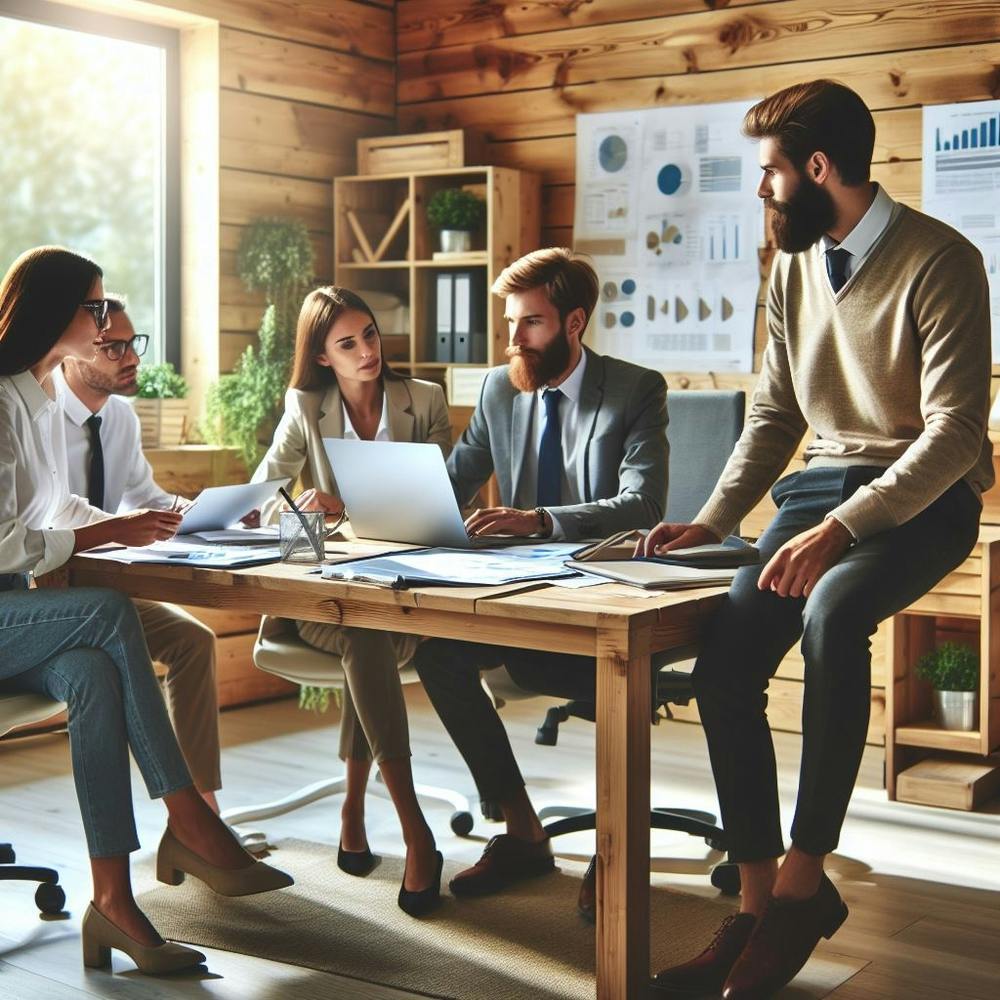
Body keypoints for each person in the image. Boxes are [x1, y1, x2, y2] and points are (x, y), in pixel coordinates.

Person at [645, 81, 992, 999]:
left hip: (925, 497)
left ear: (819, 167)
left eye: (769, 171)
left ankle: (804, 884)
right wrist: (714, 519)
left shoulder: (943, 261)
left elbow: (957, 431)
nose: (760, 188)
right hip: (818, 489)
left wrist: (841, 528)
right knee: (725, 661)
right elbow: (773, 414)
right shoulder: (793, 268)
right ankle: (757, 904)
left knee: (833, 614)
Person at [0, 246, 292, 976]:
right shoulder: (1, 400)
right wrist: (107, 533)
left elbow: (51, 507)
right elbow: (4, 541)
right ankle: (188, 816)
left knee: (93, 674)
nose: (107, 324)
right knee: (107, 612)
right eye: (96, 308)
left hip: (17, 613)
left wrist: (138, 524)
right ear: (55, 312)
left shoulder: (36, 399)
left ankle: (113, 903)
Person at [413, 247, 668, 915]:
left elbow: (643, 505)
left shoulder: (635, 390)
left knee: (613, 672)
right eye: (510, 323)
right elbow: (453, 482)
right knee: (438, 655)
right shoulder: (501, 389)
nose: (514, 339)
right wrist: (387, 503)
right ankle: (523, 831)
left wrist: (541, 520)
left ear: (574, 323)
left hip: (605, 596)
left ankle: (616, 851)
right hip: (523, 596)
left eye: (531, 323)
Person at [251, 285, 451, 915]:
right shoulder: (306, 407)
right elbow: (260, 499)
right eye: (347, 343)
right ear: (322, 357)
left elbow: (447, 504)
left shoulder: (425, 400)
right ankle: (415, 831)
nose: (367, 350)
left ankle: (354, 807)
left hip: (409, 593)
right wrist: (300, 507)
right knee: (362, 634)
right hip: (323, 601)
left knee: (368, 638)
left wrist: (370, 507)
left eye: (370, 334)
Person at [52, 298, 223, 811]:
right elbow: (52, 513)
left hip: (104, 584)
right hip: (50, 586)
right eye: (114, 348)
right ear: (71, 351)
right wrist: (122, 528)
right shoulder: (40, 412)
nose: (132, 359)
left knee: (193, 641)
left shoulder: (122, 418)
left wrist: (205, 510)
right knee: (113, 666)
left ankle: (204, 808)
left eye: (133, 344)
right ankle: (188, 815)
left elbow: (144, 496)